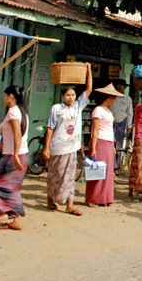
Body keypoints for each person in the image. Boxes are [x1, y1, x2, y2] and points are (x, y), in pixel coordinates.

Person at [42, 63, 92, 215]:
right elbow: (50, 127)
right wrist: (46, 147)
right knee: (54, 174)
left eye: (72, 95)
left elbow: (88, 89)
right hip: (57, 146)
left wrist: (89, 70)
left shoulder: (78, 106)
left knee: (70, 176)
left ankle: (69, 204)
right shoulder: (56, 108)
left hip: (72, 147)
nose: (71, 97)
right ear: (63, 96)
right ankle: (51, 200)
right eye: (68, 95)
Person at [0, 85, 29, 231]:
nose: (4, 99)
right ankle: (16, 221)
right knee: (11, 188)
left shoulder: (14, 112)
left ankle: (2, 212)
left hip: (14, 155)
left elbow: (17, 134)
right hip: (19, 153)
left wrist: (14, 154)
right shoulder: (22, 112)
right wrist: (2, 145)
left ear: (10, 96)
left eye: (5, 96)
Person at [86, 83, 124, 207]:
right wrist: (94, 147)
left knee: (107, 171)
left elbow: (109, 129)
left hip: (108, 142)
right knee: (97, 171)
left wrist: (113, 145)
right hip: (100, 142)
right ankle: (92, 198)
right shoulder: (98, 110)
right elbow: (95, 131)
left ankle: (104, 198)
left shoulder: (108, 111)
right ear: (108, 98)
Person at [111, 79, 134, 170]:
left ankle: (117, 165)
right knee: (110, 144)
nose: (122, 88)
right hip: (111, 122)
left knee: (119, 145)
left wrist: (129, 126)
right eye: (121, 86)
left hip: (121, 123)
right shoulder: (111, 97)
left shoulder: (127, 99)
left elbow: (130, 113)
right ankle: (111, 164)